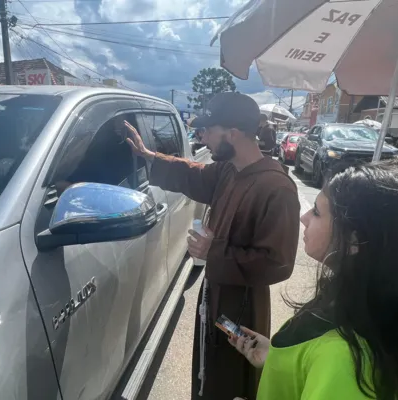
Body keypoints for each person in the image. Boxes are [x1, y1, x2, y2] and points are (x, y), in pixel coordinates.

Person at [229, 162, 398, 400]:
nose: (304, 217)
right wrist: (278, 360)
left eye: (317, 212)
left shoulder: (345, 359)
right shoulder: (370, 311)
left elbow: (334, 370)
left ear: (355, 241)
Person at [124, 92, 300, 399]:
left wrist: (213, 252)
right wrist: (150, 157)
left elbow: (278, 262)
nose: (202, 137)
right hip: (214, 295)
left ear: (232, 133)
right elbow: (194, 174)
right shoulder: (228, 169)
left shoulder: (277, 186)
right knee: (208, 368)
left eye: (209, 130)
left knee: (230, 378)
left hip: (242, 309)